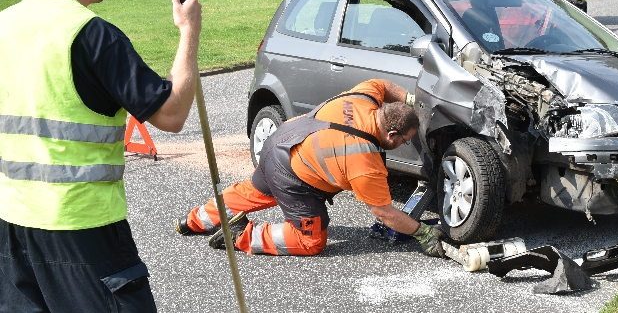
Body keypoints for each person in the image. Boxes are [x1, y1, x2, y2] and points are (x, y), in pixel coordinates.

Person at [0, 0, 201, 313]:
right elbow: (171, 114)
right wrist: (188, 34)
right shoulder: (92, 35)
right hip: (84, 231)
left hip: (12, 224)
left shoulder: (6, 25)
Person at [175, 79, 445, 258]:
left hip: (282, 141)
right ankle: (241, 236)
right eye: (406, 140)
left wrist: (410, 99)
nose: (406, 144)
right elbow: (385, 213)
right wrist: (422, 232)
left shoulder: (363, 98)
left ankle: (194, 221)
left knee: (252, 193)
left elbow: (382, 85)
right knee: (310, 241)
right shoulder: (365, 160)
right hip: (293, 175)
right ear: (393, 134)